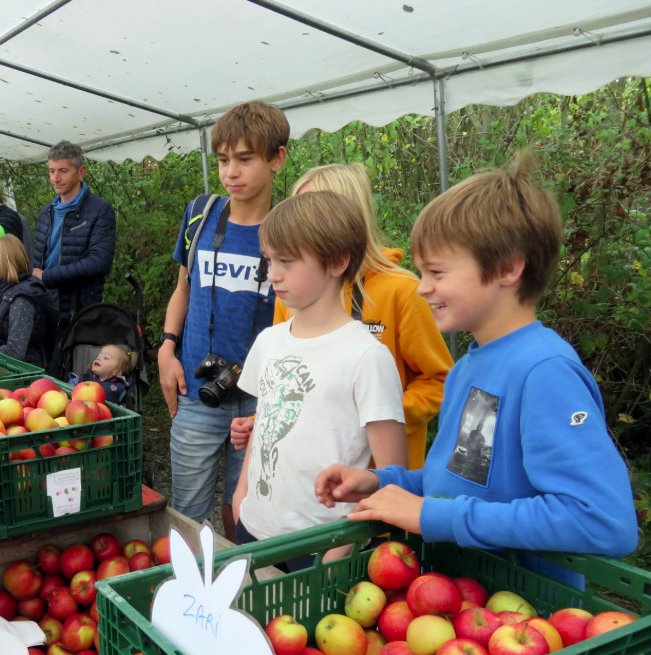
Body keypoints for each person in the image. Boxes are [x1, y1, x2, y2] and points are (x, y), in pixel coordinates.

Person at [315, 155, 639, 588]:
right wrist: (380, 480)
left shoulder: (545, 371)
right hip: (457, 606)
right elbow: (460, 483)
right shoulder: (467, 366)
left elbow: (602, 521)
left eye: (436, 271)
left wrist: (434, 515)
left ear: (508, 267)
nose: (423, 286)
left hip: (530, 624)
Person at [230, 163, 453, 469]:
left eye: (315, 213)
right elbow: (282, 375)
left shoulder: (401, 291)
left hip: (376, 476)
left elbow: (439, 380)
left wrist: (375, 417)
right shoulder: (293, 295)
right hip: (307, 477)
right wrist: (260, 420)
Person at [233, 191, 406, 568]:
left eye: (287, 261)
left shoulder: (367, 357)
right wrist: (240, 499)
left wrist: (336, 554)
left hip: (322, 546)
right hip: (254, 533)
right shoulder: (269, 340)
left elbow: (393, 476)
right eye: (270, 260)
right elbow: (266, 424)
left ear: (337, 261)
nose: (272, 274)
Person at [159, 101, 287, 541]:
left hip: (261, 401)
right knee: (187, 515)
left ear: (277, 158)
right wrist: (166, 346)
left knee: (247, 513)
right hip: (198, 390)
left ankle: (240, 598)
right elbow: (183, 288)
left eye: (245, 159)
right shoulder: (201, 213)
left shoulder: (291, 229)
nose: (231, 172)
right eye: (223, 160)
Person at [31, 141, 116, 373]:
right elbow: (38, 260)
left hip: (78, 315)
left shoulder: (99, 210)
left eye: (63, 171)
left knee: (73, 383)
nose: (55, 178)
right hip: (45, 311)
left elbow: (99, 263)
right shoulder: (46, 213)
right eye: (51, 171)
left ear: (81, 172)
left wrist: (47, 277)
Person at [0, 235, 58, 368]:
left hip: (26, 376)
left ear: (3, 266)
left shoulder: (21, 301)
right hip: (1, 369)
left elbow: (15, 353)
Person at [69, 344, 138, 405]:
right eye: (97, 356)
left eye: (106, 358)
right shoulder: (83, 379)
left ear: (118, 371)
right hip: (81, 409)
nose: (98, 358)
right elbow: (66, 389)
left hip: (105, 417)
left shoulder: (120, 387)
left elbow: (121, 409)